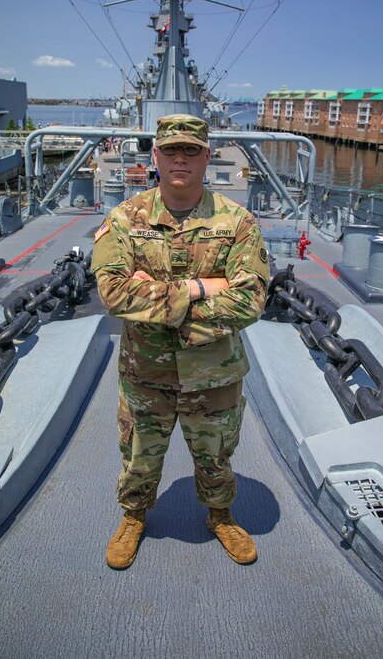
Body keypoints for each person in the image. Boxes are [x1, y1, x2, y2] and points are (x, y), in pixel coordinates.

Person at [91, 113, 269, 569]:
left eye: (191, 149)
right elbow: (113, 294)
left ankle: (220, 515)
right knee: (139, 455)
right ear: (155, 156)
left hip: (213, 376)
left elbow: (249, 300)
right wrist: (200, 288)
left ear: (208, 157)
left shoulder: (238, 223)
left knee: (216, 454)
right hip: (146, 373)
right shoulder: (125, 219)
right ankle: (133, 516)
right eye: (171, 149)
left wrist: (158, 304)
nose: (180, 158)